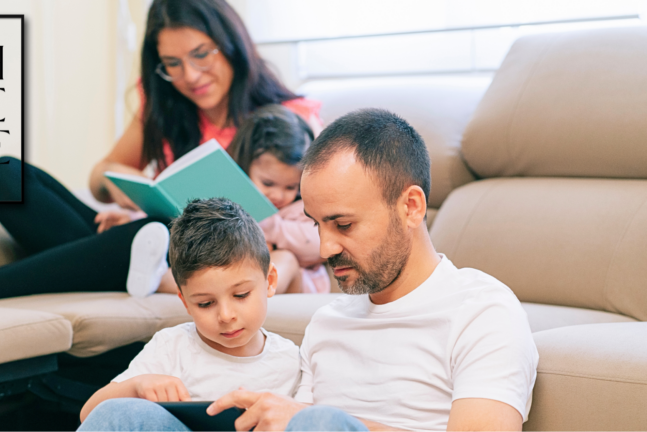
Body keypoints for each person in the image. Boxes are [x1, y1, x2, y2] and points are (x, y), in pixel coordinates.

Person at [0, 0, 321, 304]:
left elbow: (322, 219)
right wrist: (130, 189)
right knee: (6, 175)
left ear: (232, 45)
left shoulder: (292, 121)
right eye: (172, 64)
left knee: (150, 232)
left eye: (201, 54)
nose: (190, 75)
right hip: (142, 233)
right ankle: (108, 261)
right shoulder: (164, 107)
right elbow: (98, 178)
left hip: (194, 251)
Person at [205, 109, 539, 432]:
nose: (325, 249)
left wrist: (325, 423)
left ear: (411, 207)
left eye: (344, 224)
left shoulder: (482, 311)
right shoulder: (327, 322)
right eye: (317, 225)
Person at [78, 198, 300, 430]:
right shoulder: (172, 346)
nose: (225, 315)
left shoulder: (291, 360)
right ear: (185, 302)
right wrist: (137, 386)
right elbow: (90, 414)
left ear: (270, 281)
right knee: (120, 411)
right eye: (205, 303)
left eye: (241, 295)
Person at [146, 104, 329, 295]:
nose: (278, 195)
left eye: (291, 187)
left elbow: (318, 245)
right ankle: (158, 279)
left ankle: (247, 293)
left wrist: (271, 226)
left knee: (286, 259)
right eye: (268, 183)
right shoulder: (233, 204)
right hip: (233, 276)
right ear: (245, 168)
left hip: (291, 283)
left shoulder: (302, 208)